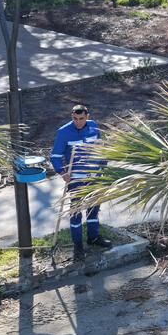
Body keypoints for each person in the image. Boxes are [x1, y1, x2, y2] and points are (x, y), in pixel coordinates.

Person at [50, 104, 112, 262]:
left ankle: (93, 237)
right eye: (75, 119)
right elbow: (55, 156)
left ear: (87, 116)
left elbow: (100, 147)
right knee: (76, 211)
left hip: (95, 176)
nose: (78, 122)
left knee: (93, 209)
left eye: (81, 118)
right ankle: (78, 245)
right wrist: (62, 172)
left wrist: (104, 164)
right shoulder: (64, 132)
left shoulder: (93, 126)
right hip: (77, 179)